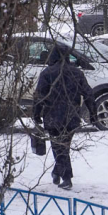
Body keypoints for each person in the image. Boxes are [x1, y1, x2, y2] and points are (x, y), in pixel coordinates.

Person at [33, 46, 97, 190]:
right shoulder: (76, 73)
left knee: (59, 147)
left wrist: (36, 115)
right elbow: (88, 94)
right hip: (71, 116)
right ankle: (58, 172)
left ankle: (66, 177)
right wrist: (93, 114)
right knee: (63, 146)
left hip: (52, 117)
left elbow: (39, 96)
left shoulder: (47, 73)